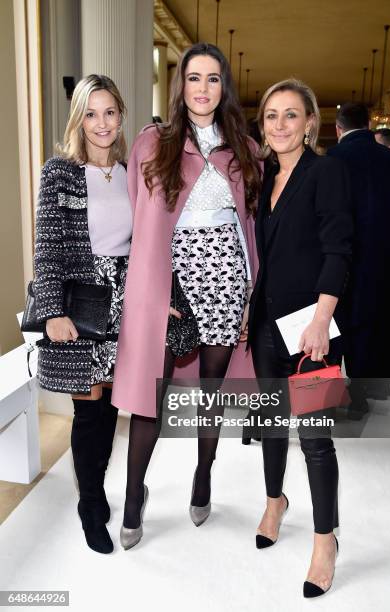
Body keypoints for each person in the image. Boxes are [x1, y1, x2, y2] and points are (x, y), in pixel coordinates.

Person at [112, 42, 262, 549]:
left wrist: (248, 292)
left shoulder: (242, 146)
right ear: (181, 86)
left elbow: (249, 222)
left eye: (213, 79)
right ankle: (133, 498)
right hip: (172, 279)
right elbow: (141, 214)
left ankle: (204, 475)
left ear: (225, 87)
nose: (203, 88)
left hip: (226, 276)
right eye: (194, 78)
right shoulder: (153, 142)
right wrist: (160, 282)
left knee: (210, 391)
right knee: (151, 398)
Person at [247, 79, 353, 597]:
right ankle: (274, 502)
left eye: (292, 115)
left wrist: (320, 319)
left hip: (313, 332)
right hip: (266, 326)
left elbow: (339, 250)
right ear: (262, 125)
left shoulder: (325, 172)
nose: (281, 125)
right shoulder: (263, 175)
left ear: (311, 122)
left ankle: (324, 539)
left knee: (315, 439)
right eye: (271, 116)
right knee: (270, 424)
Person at [34, 74, 131, 554]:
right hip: (79, 301)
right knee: (88, 409)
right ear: (78, 118)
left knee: (112, 408)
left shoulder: (135, 171)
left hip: (125, 300)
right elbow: (47, 248)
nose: (101, 123)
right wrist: (52, 311)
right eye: (91, 113)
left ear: (122, 115)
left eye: (109, 111)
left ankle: (96, 485)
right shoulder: (59, 171)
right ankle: (90, 503)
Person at [329, 103, 390, 414]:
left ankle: (329, 392)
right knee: (375, 323)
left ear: (338, 129)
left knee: (337, 323)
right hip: (385, 259)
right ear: (370, 125)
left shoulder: (330, 160)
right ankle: (362, 390)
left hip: (341, 257)